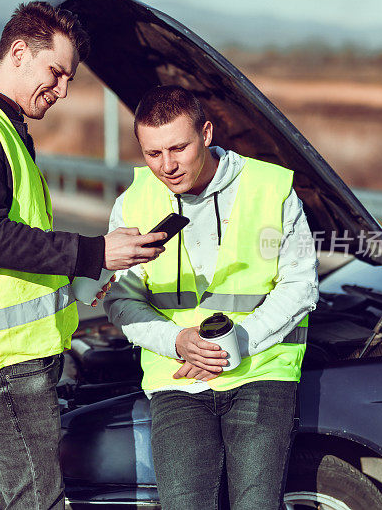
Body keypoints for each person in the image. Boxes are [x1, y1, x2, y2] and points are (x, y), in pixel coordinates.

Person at [0, 2, 165, 510]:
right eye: (56, 72)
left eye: (69, 78)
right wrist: (94, 251)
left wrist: (80, 278)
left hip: (6, 357)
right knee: (36, 500)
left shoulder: (2, 131)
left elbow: (10, 258)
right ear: (19, 53)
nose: (63, 90)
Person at [104, 85, 318, 509]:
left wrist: (242, 340)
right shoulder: (133, 203)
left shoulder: (269, 188)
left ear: (206, 132)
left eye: (178, 148)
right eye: (152, 153)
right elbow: (120, 299)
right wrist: (176, 341)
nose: (167, 165)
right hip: (176, 377)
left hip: (262, 370)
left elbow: (300, 283)